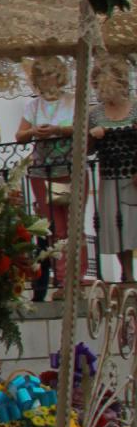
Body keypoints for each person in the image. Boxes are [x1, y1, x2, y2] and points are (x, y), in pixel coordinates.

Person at [17, 58, 77, 299]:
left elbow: (80, 126)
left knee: (71, 225)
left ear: (59, 76)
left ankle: (75, 278)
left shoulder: (71, 101)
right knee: (55, 227)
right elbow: (19, 135)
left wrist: (58, 131)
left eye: (49, 74)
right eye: (40, 76)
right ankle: (62, 279)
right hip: (43, 170)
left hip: (65, 168)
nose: (45, 80)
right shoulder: (33, 106)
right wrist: (33, 132)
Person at [90, 58, 137, 283]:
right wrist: (92, 135)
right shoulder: (95, 114)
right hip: (109, 176)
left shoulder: (135, 108)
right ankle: (127, 274)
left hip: (133, 174)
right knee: (118, 227)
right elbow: (86, 150)